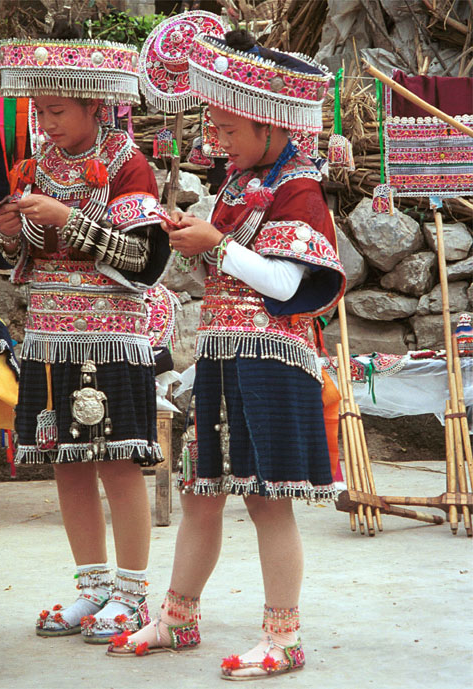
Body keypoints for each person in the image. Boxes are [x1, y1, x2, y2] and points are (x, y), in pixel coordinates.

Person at [107, 30, 346, 679]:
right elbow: (228, 260)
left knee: (269, 498)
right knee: (202, 489)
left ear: (269, 121)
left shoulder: (298, 189)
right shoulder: (241, 182)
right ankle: (177, 616)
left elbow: (288, 285)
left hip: (271, 358)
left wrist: (214, 245)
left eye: (227, 124)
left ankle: (284, 635)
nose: (217, 138)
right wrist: (195, 238)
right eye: (213, 122)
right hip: (221, 353)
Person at [0, 27, 170, 644]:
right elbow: (32, 256)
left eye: (57, 111)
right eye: (39, 111)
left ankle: (133, 592)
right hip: (48, 331)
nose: (45, 124)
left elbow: (145, 261)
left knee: (118, 461)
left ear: (96, 107)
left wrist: (68, 216)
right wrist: (13, 230)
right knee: (66, 462)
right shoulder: (37, 164)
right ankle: (92, 587)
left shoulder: (128, 163)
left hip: (112, 334)